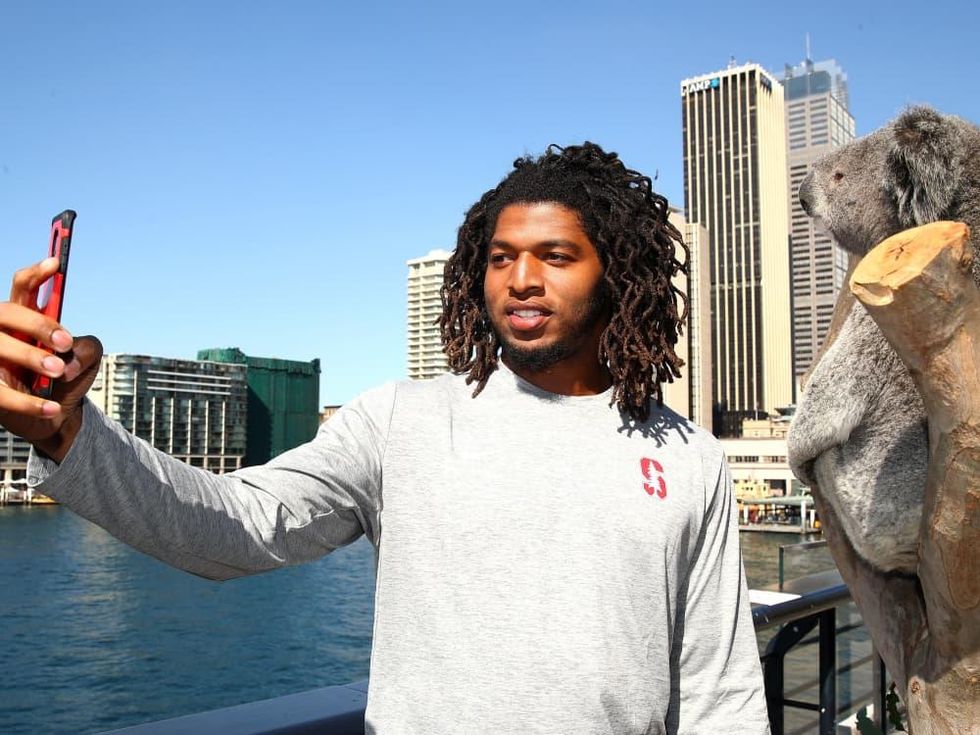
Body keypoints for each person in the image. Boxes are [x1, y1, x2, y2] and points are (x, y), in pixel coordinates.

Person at [0, 143, 769, 734]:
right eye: (502, 257)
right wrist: (69, 432)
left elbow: (720, 693)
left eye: (556, 256)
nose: (521, 279)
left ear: (616, 274)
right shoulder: (401, 420)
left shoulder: (690, 457)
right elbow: (235, 524)